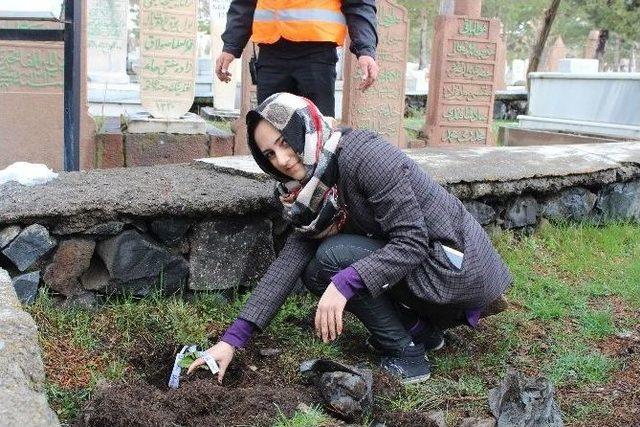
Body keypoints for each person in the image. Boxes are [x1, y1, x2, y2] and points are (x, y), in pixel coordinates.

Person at [188, 93, 513, 384]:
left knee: (333, 258)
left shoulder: (366, 157)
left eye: (285, 142)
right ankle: (419, 332)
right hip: (427, 269)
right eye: (270, 154)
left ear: (306, 126)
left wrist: (345, 283)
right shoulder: (307, 194)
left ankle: (408, 356)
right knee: (317, 269)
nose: (283, 160)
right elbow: (287, 263)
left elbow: (412, 242)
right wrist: (232, 340)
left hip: (455, 269)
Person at [215, 0, 379, 117]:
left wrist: (365, 50)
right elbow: (244, 4)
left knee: (317, 129)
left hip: (316, 52)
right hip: (271, 51)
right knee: (269, 128)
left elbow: (359, 4)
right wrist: (231, 46)